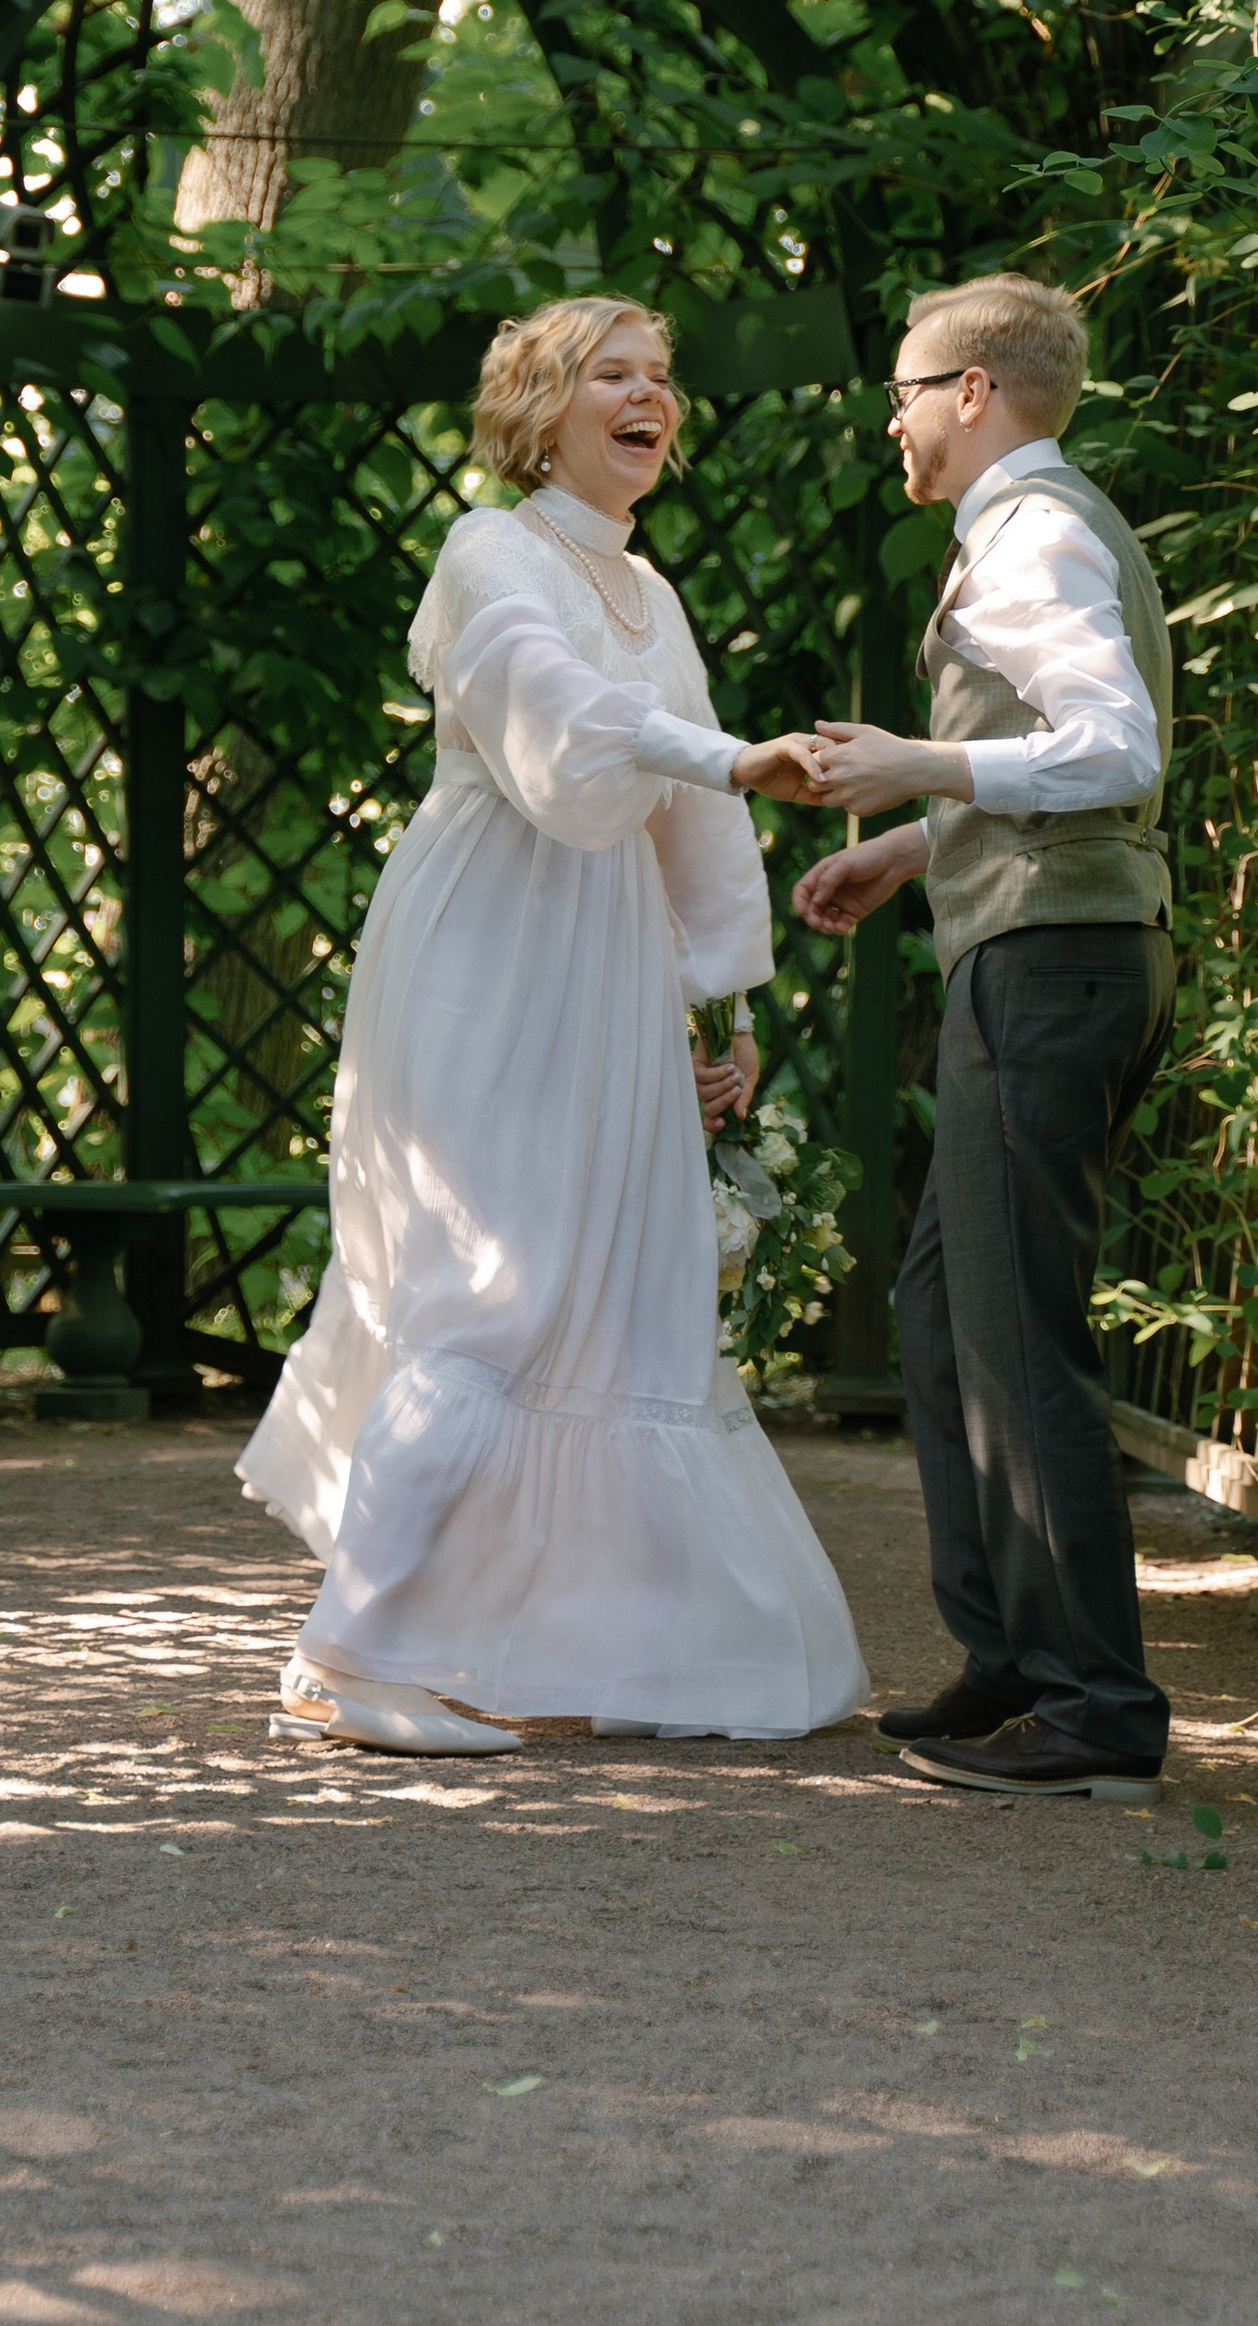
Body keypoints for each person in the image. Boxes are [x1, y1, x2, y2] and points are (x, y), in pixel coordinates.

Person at [237, 295, 868, 1754]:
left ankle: (523, 1647)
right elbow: (556, 714)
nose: (652, 397)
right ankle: (343, 1657)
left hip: (611, 961)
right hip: (488, 942)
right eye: (615, 374)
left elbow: (689, 818)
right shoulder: (490, 552)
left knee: (612, 1301)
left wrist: (718, 1000)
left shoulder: (659, 596)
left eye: (665, 376)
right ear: (543, 406)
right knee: (489, 1285)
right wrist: (728, 752)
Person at [795, 273, 1175, 1798]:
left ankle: (1100, 1713)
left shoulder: (1037, 533)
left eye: (902, 390)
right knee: (953, 1317)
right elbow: (1059, 756)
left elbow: (1113, 746)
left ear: (970, 390)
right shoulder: (1028, 526)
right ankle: (1016, 1661)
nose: (890, 419)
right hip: (1041, 945)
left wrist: (910, 762)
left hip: (1051, 966)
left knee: (1017, 1336)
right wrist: (915, 843)